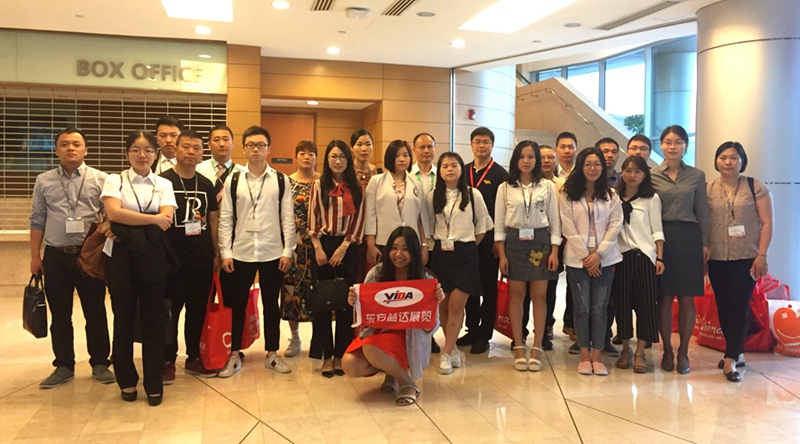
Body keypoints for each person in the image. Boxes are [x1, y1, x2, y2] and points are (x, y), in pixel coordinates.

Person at [29, 127, 114, 389]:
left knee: (95, 311)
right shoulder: (44, 180)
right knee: (60, 314)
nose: (70, 148)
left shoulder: (100, 179)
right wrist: (35, 256)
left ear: (86, 150)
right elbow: (37, 218)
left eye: (76, 144)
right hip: (55, 256)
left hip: (89, 256)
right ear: (56, 150)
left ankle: (100, 362)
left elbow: (110, 215)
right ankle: (64, 365)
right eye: (64, 144)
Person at [101, 130, 178, 406]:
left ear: (155, 154)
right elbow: (113, 213)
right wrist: (151, 219)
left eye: (147, 150)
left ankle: (154, 381)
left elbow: (166, 219)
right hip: (120, 259)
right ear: (127, 154)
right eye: (135, 149)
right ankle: (126, 379)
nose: (142, 155)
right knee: (122, 319)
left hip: (153, 258)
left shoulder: (164, 183)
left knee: (154, 321)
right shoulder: (115, 180)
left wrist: (124, 226)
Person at [218, 125, 295, 377]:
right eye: (251, 145)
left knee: (271, 305)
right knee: (237, 305)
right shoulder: (234, 180)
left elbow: (287, 218)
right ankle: (234, 354)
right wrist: (225, 252)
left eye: (261, 145)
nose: (256, 150)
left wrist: (288, 250)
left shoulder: (280, 180)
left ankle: (272, 353)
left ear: (268, 149)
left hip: (273, 252)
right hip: (240, 253)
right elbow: (226, 218)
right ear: (244, 149)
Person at [342, 227, 444, 407]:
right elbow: (363, 316)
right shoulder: (376, 273)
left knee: (371, 348)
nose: (398, 254)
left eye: (405, 249)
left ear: (414, 252)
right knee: (350, 364)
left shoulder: (425, 279)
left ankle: (407, 384)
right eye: (394, 248)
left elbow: (431, 328)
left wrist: (435, 301)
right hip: (378, 334)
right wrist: (354, 302)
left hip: (408, 337)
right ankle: (392, 372)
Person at [707, 142, 773, 382]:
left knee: (739, 306)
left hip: (746, 257)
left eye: (734, 157)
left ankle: (730, 359)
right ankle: (737, 352)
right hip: (716, 258)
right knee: (724, 307)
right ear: (716, 161)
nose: (728, 162)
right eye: (723, 157)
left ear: (742, 161)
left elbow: (767, 223)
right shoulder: (707, 189)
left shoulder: (755, 187)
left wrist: (762, 255)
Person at [495, 141, 561, 371]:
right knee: (516, 296)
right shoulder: (505, 187)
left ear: (537, 160)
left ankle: (537, 346)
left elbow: (555, 222)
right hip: (514, 242)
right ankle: (519, 346)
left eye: (531, 156)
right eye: (522, 156)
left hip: (540, 242)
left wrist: (555, 250)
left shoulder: (548, 186)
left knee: (540, 297)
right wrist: (502, 254)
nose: (526, 161)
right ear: (515, 159)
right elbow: (499, 225)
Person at [160, 129, 219, 381]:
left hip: (201, 258)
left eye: (196, 148)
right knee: (170, 312)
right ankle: (167, 359)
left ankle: (194, 356)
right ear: (175, 149)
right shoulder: (162, 182)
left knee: (198, 311)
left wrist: (217, 253)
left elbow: (213, 221)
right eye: (186, 147)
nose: (191, 152)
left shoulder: (206, 184)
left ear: (202, 153)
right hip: (170, 260)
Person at [651, 125, 710, 375]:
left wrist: (705, 243)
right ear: (661, 145)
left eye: (677, 142)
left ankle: (683, 352)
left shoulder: (696, 175)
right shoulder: (652, 175)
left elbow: (702, 210)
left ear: (685, 145)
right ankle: (666, 350)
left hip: (688, 237)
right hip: (662, 237)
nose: (672, 146)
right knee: (664, 297)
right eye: (667, 142)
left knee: (687, 297)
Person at [426, 152, 492, 374]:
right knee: (443, 305)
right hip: (441, 255)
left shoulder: (473, 194)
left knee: (457, 304)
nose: (449, 169)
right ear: (440, 171)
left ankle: (445, 353)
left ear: (461, 169)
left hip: (466, 254)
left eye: (454, 165)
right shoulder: (432, 196)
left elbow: (483, 225)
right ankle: (452, 347)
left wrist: (469, 245)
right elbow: (427, 226)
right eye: (445, 166)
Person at [560, 147, 623, 376]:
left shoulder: (611, 194)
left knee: (600, 308)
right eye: (587, 164)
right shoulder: (568, 193)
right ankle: (584, 355)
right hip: (578, 260)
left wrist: (599, 254)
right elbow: (567, 225)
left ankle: (597, 356)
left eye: (597, 164)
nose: (593, 168)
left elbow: (616, 224)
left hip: (605, 259)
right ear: (580, 167)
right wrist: (586, 256)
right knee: (582, 307)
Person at [308, 140, 365, 377]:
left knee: (345, 303)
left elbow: (360, 218)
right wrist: (318, 247)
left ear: (348, 160)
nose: (338, 161)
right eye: (333, 156)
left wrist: (344, 247)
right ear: (327, 159)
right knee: (322, 303)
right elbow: (312, 218)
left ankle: (341, 354)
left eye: (342, 156)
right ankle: (326, 356)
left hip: (347, 248)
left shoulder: (357, 186)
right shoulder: (318, 185)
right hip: (322, 246)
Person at [611, 156, 664, 373]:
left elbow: (657, 230)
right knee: (622, 305)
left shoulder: (651, 198)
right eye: (628, 170)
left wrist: (659, 257)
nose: (632, 175)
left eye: (637, 171)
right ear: (622, 172)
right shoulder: (613, 197)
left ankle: (641, 352)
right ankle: (625, 349)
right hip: (620, 257)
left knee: (645, 306)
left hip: (644, 257)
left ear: (644, 175)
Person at [459, 127, 508, 354]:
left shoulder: (500, 175)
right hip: (466, 239)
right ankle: (472, 328)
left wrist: (499, 240)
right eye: (477, 141)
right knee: (469, 286)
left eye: (486, 142)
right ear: (471, 145)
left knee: (488, 288)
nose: (481, 146)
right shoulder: (463, 171)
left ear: (492, 145)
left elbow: (504, 211)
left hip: (489, 241)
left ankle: (485, 334)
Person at [281, 141, 320, 357]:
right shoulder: (286, 183)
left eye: (311, 153)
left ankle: (318, 338)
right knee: (292, 292)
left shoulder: (323, 181)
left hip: (319, 247)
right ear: (295, 157)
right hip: (293, 247)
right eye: (302, 153)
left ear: (316, 158)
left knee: (317, 291)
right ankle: (295, 338)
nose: (306, 157)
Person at [364, 139, 430, 267]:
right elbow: (370, 215)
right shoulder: (376, 181)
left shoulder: (417, 183)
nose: (402, 159)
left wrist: (424, 245)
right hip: (384, 242)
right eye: (397, 156)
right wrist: (370, 244)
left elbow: (422, 218)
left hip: (410, 243)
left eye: (405, 155)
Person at [539, 144, 565, 350]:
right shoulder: (526, 184)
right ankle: (521, 330)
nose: (547, 161)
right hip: (530, 241)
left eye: (551, 157)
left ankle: (546, 326)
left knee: (550, 288)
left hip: (555, 241)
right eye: (542, 157)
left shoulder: (562, 185)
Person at [350, 129, 382, 284]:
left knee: (373, 279)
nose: (364, 149)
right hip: (350, 235)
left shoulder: (380, 174)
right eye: (359, 144)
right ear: (351, 148)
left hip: (375, 235)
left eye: (368, 144)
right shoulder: (346, 173)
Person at [196, 124, 246, 203]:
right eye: (216, 140)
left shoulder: (243, 172)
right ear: (209, 145)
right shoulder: (198, 170)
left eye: (226, 139)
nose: (222, 144)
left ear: (233, 143)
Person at [411, 133, 437, 198]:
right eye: (422, 147)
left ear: (435, 149)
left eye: (430, 147)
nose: (426, 151)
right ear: (414, 150)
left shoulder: (441, 175)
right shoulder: (408, 174)